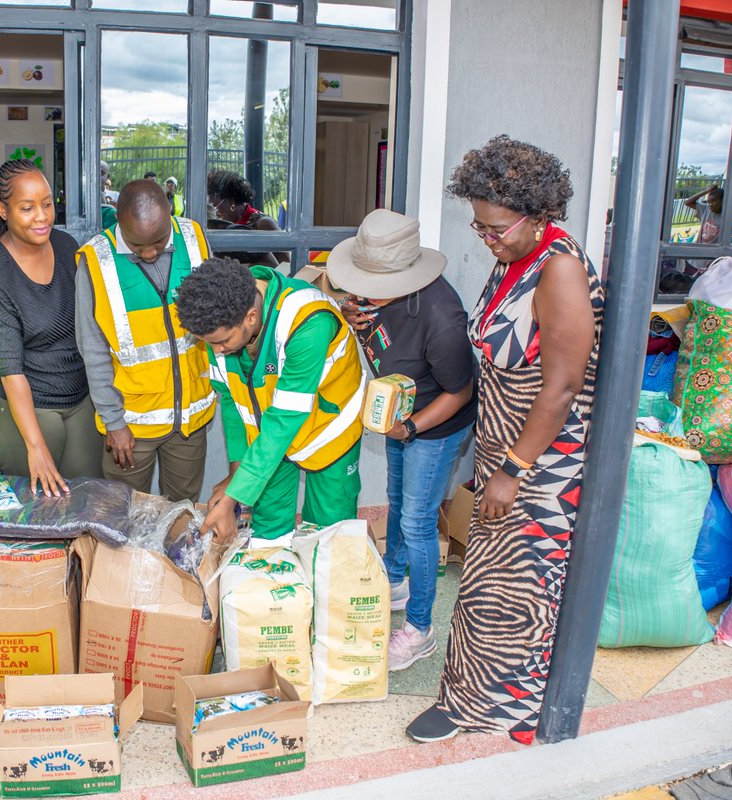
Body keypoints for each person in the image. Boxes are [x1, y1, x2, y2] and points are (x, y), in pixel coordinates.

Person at [407, 135, 603, 746]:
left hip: (543, 463)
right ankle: (477, 699)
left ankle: (507, 709)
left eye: (494, 227)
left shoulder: (560, 268)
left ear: (538, 214)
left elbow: (564, 384)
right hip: (504, 449)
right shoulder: (516, 255)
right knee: (484, 583)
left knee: (517, 591)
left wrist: (513, 468)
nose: (484, 238)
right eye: (478, 225)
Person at [327, 209, 476, 673]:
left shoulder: (441, 319)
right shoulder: (373, 293)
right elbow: (320, 281)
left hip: (434, 425)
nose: (361, 288)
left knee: (416, 521)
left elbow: (461, 390)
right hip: (398, 414)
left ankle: (420, 629)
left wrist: (411, 428)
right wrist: (345, 310)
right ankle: (394, 580)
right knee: (396, 499)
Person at [175, 257, 365, 542]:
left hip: (328, 431)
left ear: (251, 317)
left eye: (222, 341)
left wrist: (232, 497)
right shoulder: (222, 318)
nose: (217, 350)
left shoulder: (309, 321)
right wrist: (237, 474)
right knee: (268, 529)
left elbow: (285, 419)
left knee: (329, 534)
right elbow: (232, 402)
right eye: (209, 342)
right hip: (269, 439)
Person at [75, 179, 215, 501]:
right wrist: (113, 422)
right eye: (138, 247)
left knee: (182, 516)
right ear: (119, 223)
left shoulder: (193, 237)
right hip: (130, 426)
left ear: (169, 213)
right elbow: (93, 351)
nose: (151, 253)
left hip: (190, 418)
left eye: (160, 241)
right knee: (124, 518)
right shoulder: (96, 262)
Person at [0, 159, 103, 495]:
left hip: (80, 398)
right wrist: (35, 446)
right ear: (3, 210)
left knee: (86, 499)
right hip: (32, 406)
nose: (42, 216)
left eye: (47, 204)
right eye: (27, 208)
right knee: (43, 505)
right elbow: (10, 369)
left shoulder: (66, 246)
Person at [101, 160, 119, 229]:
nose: (95, 176)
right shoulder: (82, 197)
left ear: (107, 176)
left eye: (101, 173)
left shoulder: (116, 196)